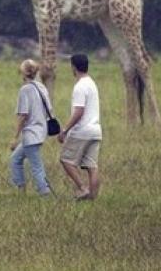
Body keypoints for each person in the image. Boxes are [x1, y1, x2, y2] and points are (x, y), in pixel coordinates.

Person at [58, 54, 102, 201]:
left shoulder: (79, 86)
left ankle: (82, 188)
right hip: (96, 130)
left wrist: (65, 130)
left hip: (82, 131)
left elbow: (79, 112)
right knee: (92, 166)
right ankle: (92, 198)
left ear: (73, 67)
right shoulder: (92, 83)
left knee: (65, 159)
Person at [9, 59, 53, 196]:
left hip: (31, 134)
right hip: (40, 131)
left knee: (36, 167)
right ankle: (21, 190)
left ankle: (45, 193)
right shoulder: (42, 87)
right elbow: (49, 109)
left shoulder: (25, 89)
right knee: (15, 159)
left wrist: (15, 137)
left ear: (24, 72)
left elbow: (23, 115)